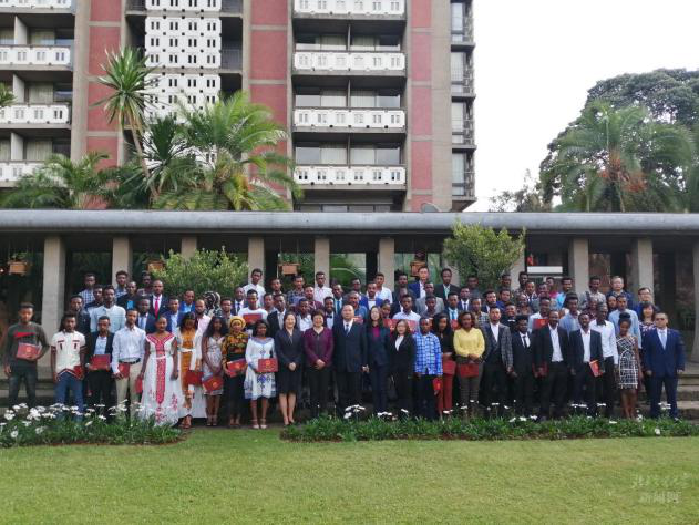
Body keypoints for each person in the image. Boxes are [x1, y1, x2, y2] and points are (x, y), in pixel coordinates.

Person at [4, 303, 49, 408]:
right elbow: (7, 350)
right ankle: (11, 416)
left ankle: (32, 415)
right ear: (19, 313)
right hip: (14, 366)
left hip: (31, 367)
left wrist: (38, 355)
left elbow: (46, 345)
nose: (26, 315)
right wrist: (6, 365)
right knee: (12, 394)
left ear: (32, 314)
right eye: (23, 313)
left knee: (31, 393)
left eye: (29, 313)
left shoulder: (37, 328)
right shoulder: (12, 329)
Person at [139, 315, 182, 425]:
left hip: (168, 365)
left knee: (168, 390)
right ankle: (150, 419)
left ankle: (167, 420)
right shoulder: (148, 337)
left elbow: (175, 354)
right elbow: (146, 354)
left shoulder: (172, 336)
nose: (162, 325)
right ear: (155, 324)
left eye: (164, 323)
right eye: (160, 323)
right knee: (151, 389)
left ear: (166, 324)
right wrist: (142, 371)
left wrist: (176, 370)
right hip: (152, 365)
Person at [643, 312, 686, 420]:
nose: (660, 321)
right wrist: (647, 367)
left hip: (671, 370)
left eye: (662, 319)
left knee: (672, 395)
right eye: (657, 319)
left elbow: (680, 351)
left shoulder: (675, 333)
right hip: (654, 370)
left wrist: (680, 366)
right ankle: (654, 416)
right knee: (654, 395)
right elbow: (646, 352)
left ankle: (673, 415)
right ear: (654, 321)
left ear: (667, 320)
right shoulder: (649, 334)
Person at [533, 310, 570, 421]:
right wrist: (539, 366)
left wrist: (567, 365)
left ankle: (558, 413)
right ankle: (544, 413)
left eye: (556, 317)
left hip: (561, 365)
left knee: (560, 391)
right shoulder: (541, 331)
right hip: (547, 366)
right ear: (547, 318)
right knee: (546, 391)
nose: (554, 319)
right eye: (552, 317)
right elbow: (538, 350)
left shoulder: (563, 331)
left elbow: (566, 348)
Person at [332, 305, 368, 416]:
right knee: (342, 391)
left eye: (349, 310)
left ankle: (355, 415)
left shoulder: (360, 327)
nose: (347, 312)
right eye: (345, 310)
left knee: (355, 391)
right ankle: (343, 414)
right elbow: (333, 347)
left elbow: (364, 347)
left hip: (356, 365)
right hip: (340, 365)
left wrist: (364, 363)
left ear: (353, 313)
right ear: (341, 313)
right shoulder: (336, 327)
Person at [112, 309, 146, 419]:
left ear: (136, 318)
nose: (132, 318)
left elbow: (143, 352)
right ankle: (120, 421)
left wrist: (142, 369)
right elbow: (115, 352)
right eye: (130, 315)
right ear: (126, 316)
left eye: (134, 316)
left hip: (136, 364)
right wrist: (115, 370)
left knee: (135, 395)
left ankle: (134, 422)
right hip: (122, 365)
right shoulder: (118, 333)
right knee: (120, 395)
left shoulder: (141, 333)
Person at [50, 313, 86, 420]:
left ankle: (77, 425)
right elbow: (52, 355)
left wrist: (82, 370)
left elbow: (82, 355)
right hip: (60, 372)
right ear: (63, 322)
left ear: (75, 323)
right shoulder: (56, 336)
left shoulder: (80, 336)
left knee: (78, 399)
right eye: (67, 321)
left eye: (72, 322)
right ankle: (60, 425)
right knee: (59, 400)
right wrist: (53, 372)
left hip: (76, 371)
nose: (70, 324)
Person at [568, 312, 604, 416]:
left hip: (593, 365)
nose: (584, 321)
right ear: (579, 321)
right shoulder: (573, 334)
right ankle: (577, 413)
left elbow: (600, 351)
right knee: (577, 389)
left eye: (586, 319)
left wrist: (601, 367)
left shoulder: (596, 334)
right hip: (579, 366)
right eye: (582, 319)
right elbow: (571, 352)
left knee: (592, 390)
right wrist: (571, 367)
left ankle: (591, 413)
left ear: (589, 320)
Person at [480, 306, 513, 417]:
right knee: (487, 387)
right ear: (489, 314)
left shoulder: (506, 329)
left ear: (500, 315)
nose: (495, 314)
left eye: (497, 312)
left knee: (502, 387)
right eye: (493, 312)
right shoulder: (483, 328)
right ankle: (487, 411)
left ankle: (501, 411)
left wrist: (509, 365)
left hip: (501, 363)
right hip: (488, 361)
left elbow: (508, 348)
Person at [174, 312, 206, 429]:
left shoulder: (198, 331)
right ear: (184, 321)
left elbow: (199, 349)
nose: (190, 323)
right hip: (179, 361)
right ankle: (181, 415)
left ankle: (189, 416)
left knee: (190, 390)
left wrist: (198, 364)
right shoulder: (177, 331)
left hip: (193, 362)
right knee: (179, 389)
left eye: (192, 321)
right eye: (188, 320)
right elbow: (174, 348)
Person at [244, 320, 276, 429]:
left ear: (267, 329)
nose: (262, 329)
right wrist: (254, 367)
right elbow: (247, 356)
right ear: (256, 329)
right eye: (260, 327)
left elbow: (274, 355)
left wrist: (272, 366)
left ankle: (263, 419)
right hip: (253, 370)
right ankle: (254, 420)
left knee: (265, 395)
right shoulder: (251, 340)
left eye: (264, 327)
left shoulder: (271, 340)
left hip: (267, 371)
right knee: (254, 396)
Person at [275, 312, 304, 426]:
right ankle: (285, 417)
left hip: (296, 367)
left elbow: (301, 351)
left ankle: (291, 416)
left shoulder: (299, 333)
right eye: (288, 319)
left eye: (292, 319)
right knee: (283, 392)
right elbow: (278, 351)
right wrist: (288, 363)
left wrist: (295, 363)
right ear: (284, 320)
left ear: (295, 321)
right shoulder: (279, 333)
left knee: (293, 392)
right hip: (283, 367)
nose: (290, 321)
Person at [590, 305, 619, 419]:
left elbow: (612, 343)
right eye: (601, 311)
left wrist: (615, 361)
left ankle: (610, 412)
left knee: (609, 386)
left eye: (605, 312)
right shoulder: (590, 324)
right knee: (595, 386)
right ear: (596, 312)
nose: (603, 314)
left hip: (608, 358)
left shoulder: (610, 325)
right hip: (595, 361)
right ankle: (595, 411)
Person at [304, 310, 333, 419]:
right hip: (312, 366)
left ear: (323, 319)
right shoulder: (307, 332)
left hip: (325, 366)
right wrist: (316, 360)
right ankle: (314, 416)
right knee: (314, 391)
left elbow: (331, 347)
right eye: (315, 318)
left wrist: (324, 361)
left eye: (320, 318)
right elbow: (306, 348)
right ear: (312, 320)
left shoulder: (328, 331)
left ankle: (323, 415)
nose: (318, 320)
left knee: (324, 390)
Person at [412, 317, 442, 421]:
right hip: (420, 372)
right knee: (419, 395)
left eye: (426, 324)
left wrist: (439, 371)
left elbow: (438, 355)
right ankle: (419, 417)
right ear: (419, 325)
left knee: (431, 395)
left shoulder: (434, 338)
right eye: (422, 324)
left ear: (430, 325)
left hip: (432, 371)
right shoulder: (415, 338)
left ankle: (430, 417)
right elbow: (413, 355)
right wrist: (417, 369)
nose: (424, 326)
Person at [85, 316, 114, 419]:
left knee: (107, 396)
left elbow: (116, 353)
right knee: (94, 396)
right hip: (94, 371)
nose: (102, 327)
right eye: (100, 324)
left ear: (109, 325)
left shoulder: (114, 337)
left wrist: (111, 366)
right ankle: (94, 419)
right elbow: (86, 353)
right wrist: (88, 365)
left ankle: (108, 420)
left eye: (105, 325)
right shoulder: (91, 336)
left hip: (107, 372)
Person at [223, 317, 248, 428]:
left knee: (240, 393)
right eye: (235, 324)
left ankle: (238, 419)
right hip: (230, 367)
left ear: (242, 326)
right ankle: (230, 419)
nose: (237, 326)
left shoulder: (246, 337)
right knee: (230, 393)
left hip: (242, 368)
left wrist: (245, 367)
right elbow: (224, 354)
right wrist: (224, 368)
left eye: (239, 324)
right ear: (231, 326)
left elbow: (248, 354)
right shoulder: (227, 337)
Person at [365, 306, 391, 415]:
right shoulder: (365, 329)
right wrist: (365, 363)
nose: (374, 314)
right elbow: (364, 347)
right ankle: (376, 413)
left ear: (380, 314)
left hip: (383, 363)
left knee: (382, 388)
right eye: (373, 312)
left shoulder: (385, 330)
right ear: (370, 314)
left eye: (376, 312)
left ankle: (384, 413)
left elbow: (389, 348)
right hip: (371, 363)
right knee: (375, 388)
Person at [201, 316, 226, 426]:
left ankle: (215, 416)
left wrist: (220, 366)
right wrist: (211, 366)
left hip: (221, 363)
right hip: (208, 364)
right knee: (210, 392)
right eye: (215, 322)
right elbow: (204, 352)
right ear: (212, 323)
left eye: (220, 323)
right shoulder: (206, 335)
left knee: (218, 392)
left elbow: (225, 352)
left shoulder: (225, 336)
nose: (217, 325)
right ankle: (209, 415)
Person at [617, 317, 642, 420]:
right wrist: (616, 368)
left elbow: (637, 354)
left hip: (632, 365)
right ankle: (626, 414)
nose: (624, 329)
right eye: (622, 327)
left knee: (632, 391)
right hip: (621, 365)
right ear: (619, 326)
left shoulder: (633, 338)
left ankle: (632, 412)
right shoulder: (615, 338)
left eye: (626, 327)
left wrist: (639, 370)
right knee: (623, 390)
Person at [389, 319, 415, 417]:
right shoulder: (394, 339)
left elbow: (412, 357)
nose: (400, 328)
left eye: (403, 326)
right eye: (399, 326)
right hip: (396, 371)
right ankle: (400, 415)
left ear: (406, 328)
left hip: (406, 371)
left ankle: (408, 416)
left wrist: (410, 372)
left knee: (407, 394)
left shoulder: (410, 339)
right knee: (399, 393)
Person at [432, 313, 455, 417]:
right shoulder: (432, 334)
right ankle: (439, 412)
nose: (442, 324)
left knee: (448, 389)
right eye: (440, 322)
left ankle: (448, 411)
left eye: (444, 322)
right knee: (438, 389)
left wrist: (450, 353)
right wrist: (438, 355)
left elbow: (454, 348)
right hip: (436, 364)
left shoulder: (451, 333)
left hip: (448, 363)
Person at [511, 315, 534, 417]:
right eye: (521, 325)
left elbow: (535, 353)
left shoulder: (532, 336)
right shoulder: (513, 337)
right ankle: (519, 414)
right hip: (517, 370)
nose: (524, 326)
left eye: (525, 324)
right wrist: (512, 369)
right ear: (517, 326)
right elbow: (510, 354)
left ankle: (529, 413)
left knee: (529, 393)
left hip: (530, 370)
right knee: (518, 393)